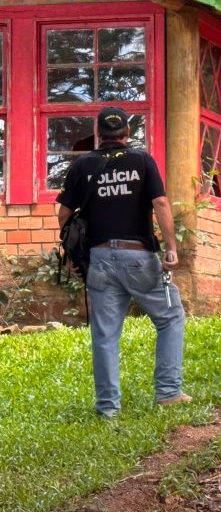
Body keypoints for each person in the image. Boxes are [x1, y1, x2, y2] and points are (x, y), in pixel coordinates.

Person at [57, 106, 190, 418]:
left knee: (105, 335)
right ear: (127, 134)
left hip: (99, 259)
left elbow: (64, 214)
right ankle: (169, 391)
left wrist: (70, 253)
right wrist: (170, 247)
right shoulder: (141, 160)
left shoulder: (83, 165)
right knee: (170, 317)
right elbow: (159, 201)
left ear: (99, 134)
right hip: (138, 255)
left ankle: (107, 409)